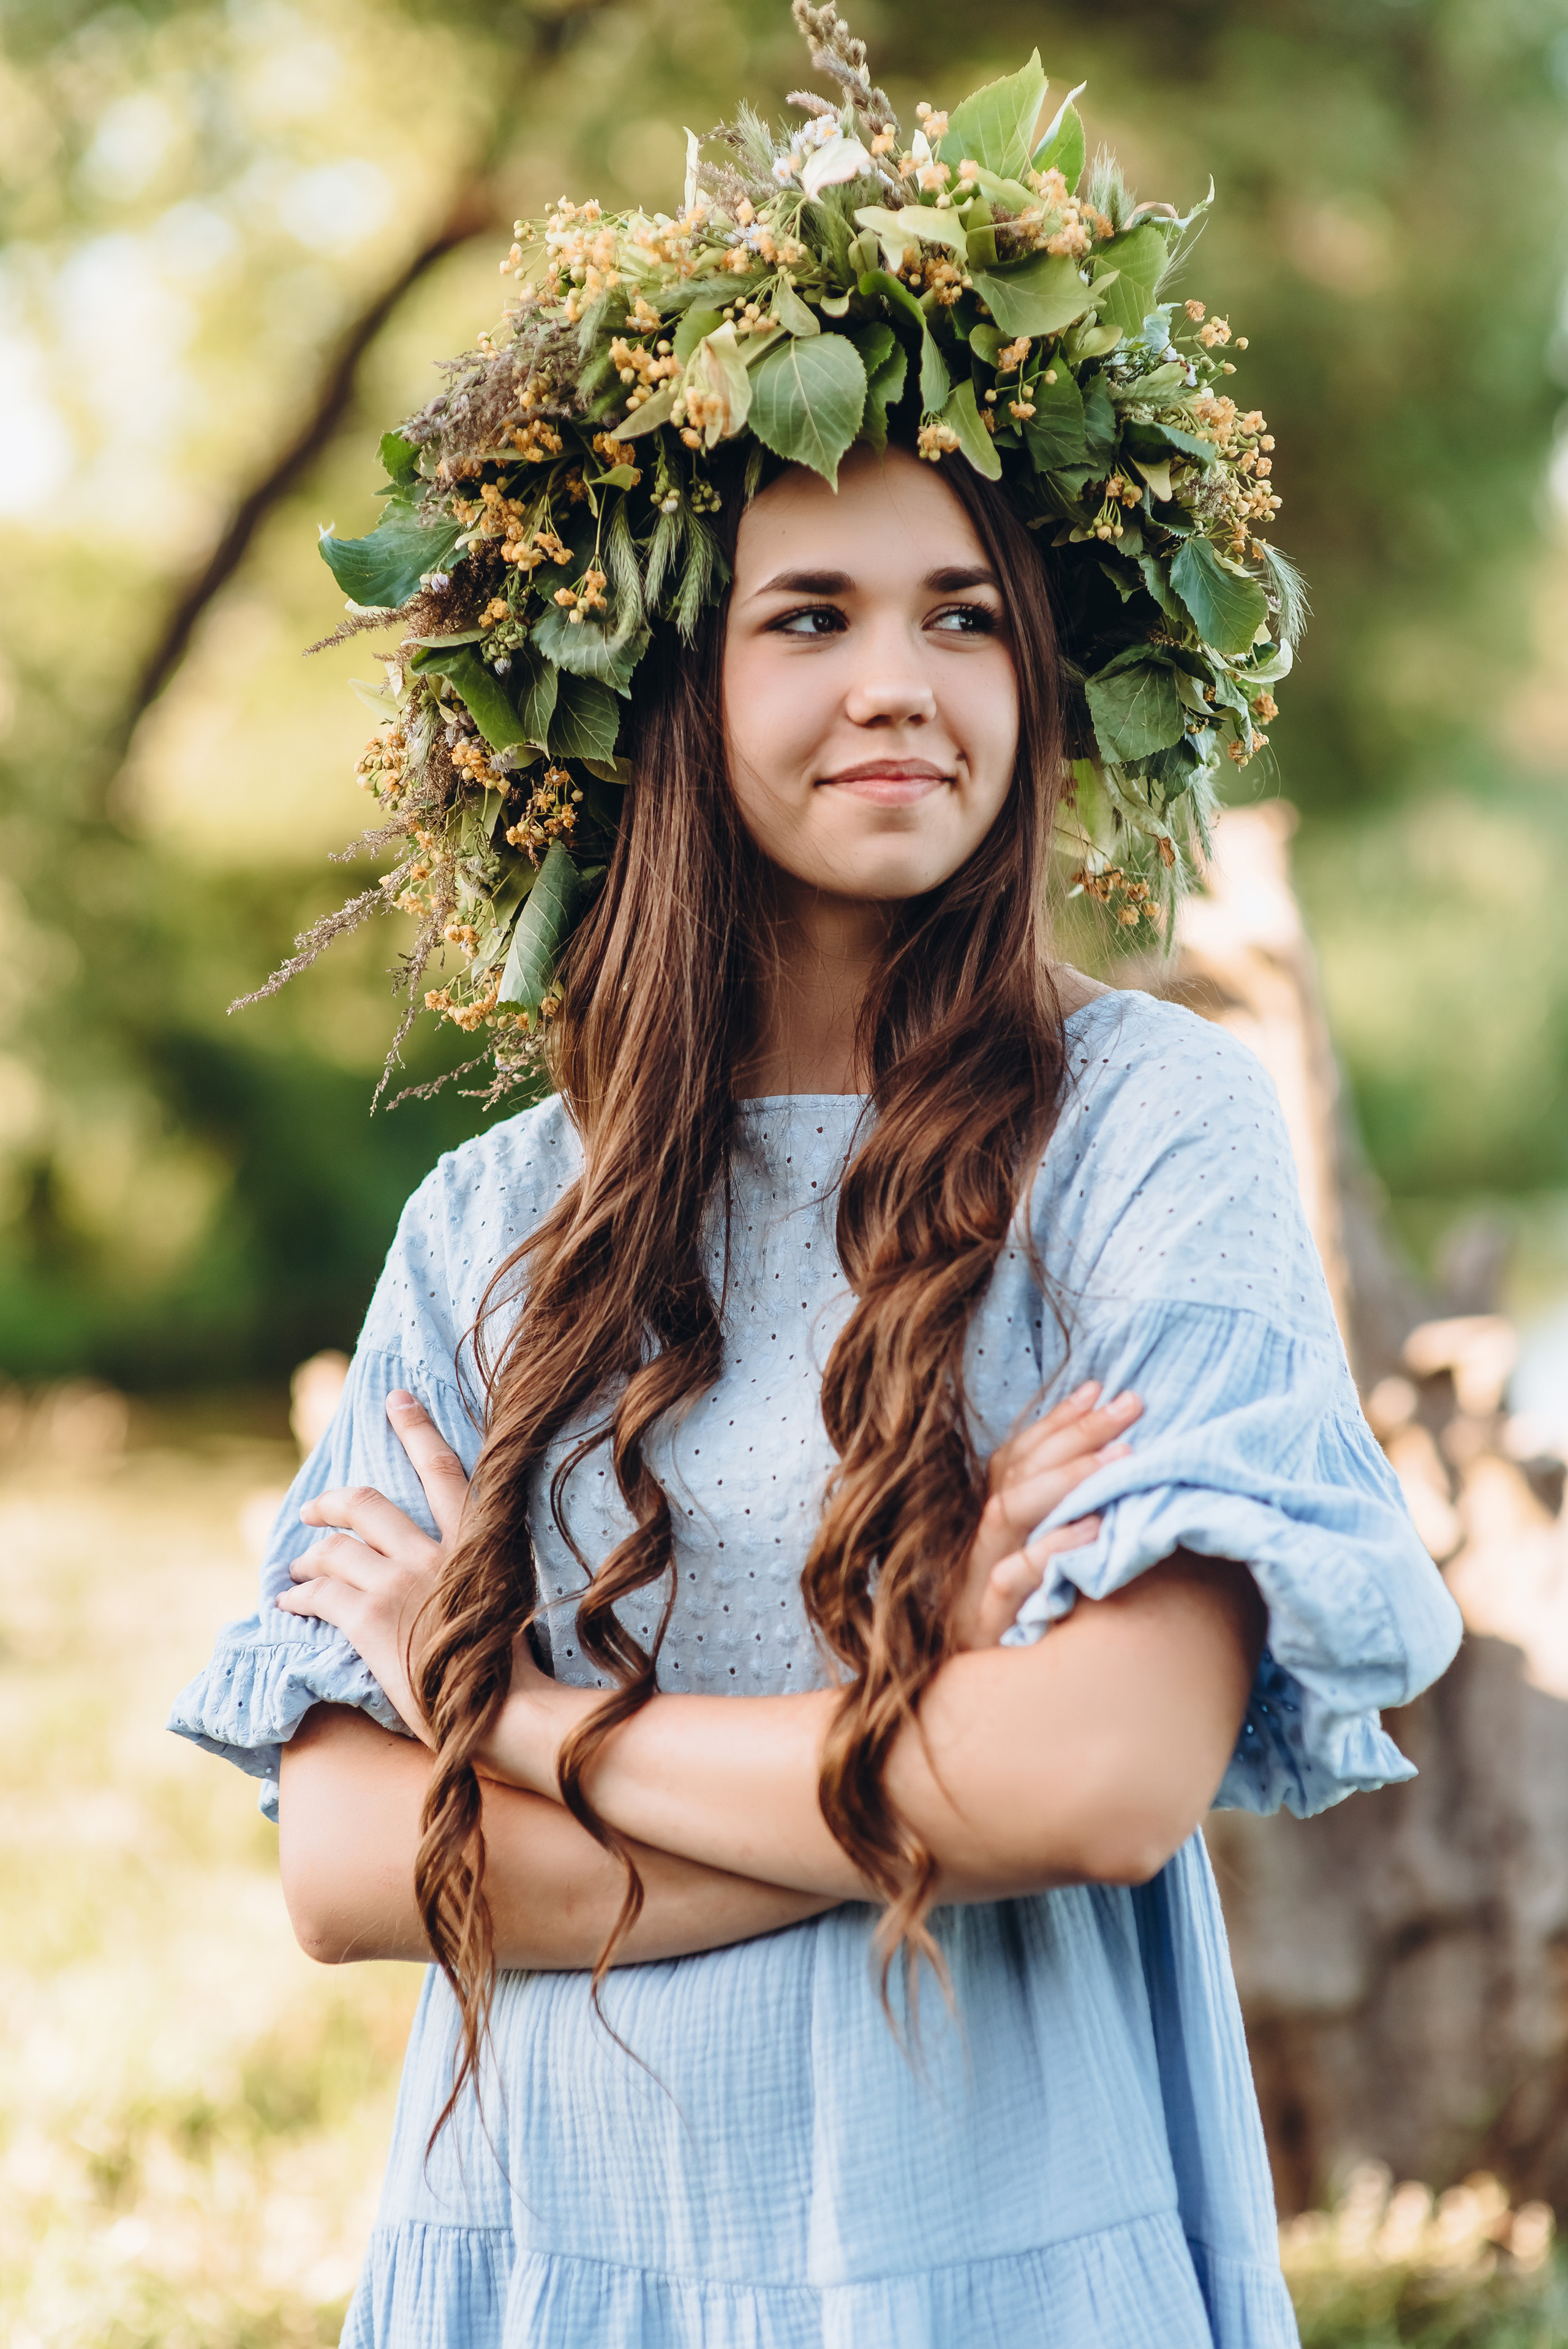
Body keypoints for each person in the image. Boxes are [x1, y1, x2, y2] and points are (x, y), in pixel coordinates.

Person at [172, 437, 1461, 2348]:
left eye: (961, 616)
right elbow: (356, 1862)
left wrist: (505, 1712)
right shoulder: (492, 1218)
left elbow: (1101, 1777)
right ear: (663, 688)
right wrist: (928, 1730)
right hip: (553, 2260)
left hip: (1001, 2251)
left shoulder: (1146, 1136)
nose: (900, 681)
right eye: (809, 616)